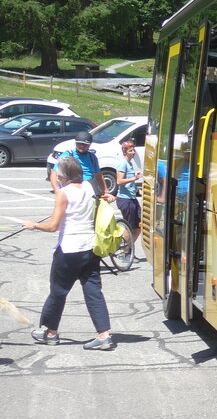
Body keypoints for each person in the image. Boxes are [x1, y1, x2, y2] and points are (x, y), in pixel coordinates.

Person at [23, 156, 115, 350]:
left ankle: (50, 333)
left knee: (58, 291)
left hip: (69, 249)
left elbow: (53, 226)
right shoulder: (90, 188)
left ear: (64, 176)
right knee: (93, 290)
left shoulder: (63, 194)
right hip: (90, 247)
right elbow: (102, 197)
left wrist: (34, 225)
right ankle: (103, 334)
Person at [52, 131, 111, 199]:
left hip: (87, 192)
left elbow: (98, 176)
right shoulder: (67, 156)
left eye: (85, 144)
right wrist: (57, 191)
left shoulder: (92, 157)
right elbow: (53, 174)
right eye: (79, 144)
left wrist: (106, 192)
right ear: (76, 143)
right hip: (70, 192)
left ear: (89, 145)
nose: (82, 146)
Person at [114, 140, 144, 259]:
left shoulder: (130, 164)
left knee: (138, 226)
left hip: (132, 199)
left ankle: (128, 250)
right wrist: (134, 178)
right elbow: (119, 181)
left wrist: (138, 191)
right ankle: (119, 250)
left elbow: (129, 184)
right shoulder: (123, 164)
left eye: (133, 150)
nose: (133, 152)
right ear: (125, 152)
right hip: (125, 200)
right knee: (130, 227)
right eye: (131, 150)